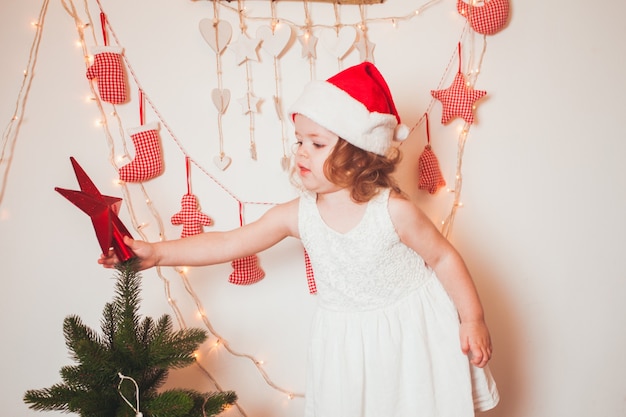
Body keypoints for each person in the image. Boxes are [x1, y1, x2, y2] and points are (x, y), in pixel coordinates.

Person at [99, 62, 499, 417]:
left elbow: (445, 259)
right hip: (345, 344)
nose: (302, 153)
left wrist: (472, 318)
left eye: (317, 143)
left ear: (360, 153)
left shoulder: (393, 211)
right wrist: (155, 253)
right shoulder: (298, 214)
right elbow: (228, 243)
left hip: (411, 331)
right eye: (299, 141)